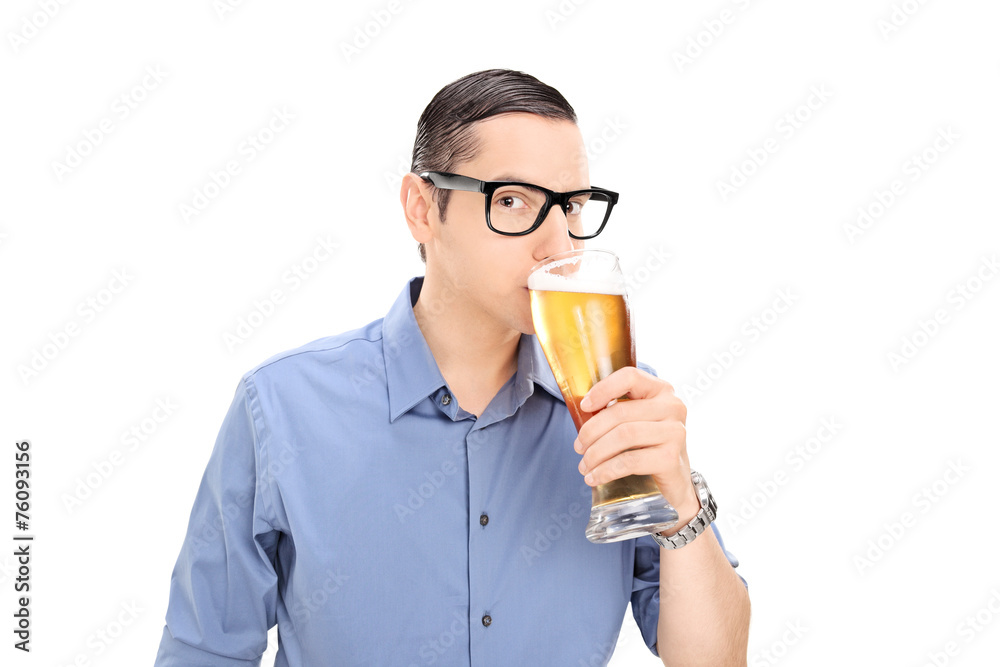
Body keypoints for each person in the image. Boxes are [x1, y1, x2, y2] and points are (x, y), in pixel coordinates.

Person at [154, 68, 750, 666]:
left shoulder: (619, 408)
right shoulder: (283, 407)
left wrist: (682, 502)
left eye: (571, 207)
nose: (560, 245)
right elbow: (204, 653)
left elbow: (715, 661)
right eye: (512, 201)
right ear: (421, 209)